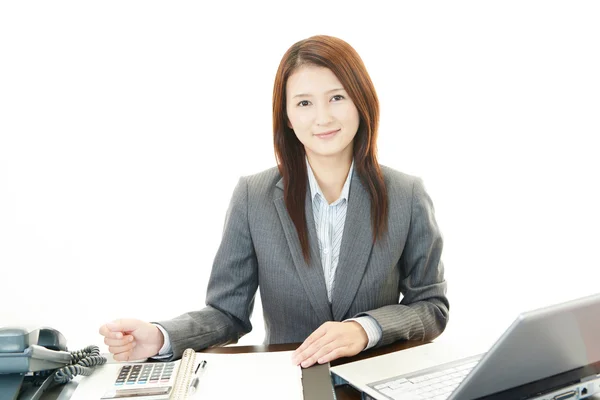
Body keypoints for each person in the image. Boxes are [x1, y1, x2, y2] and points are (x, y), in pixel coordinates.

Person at [99, 34, 449, 368]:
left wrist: (366, 329)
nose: (322, 117)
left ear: (362, 100)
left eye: (337, 97)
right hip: (287, 381)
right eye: (304, 103)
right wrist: (160, 337)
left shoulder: (407, 194)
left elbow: (431, 307)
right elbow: (227, 312)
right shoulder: (254, 196)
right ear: (287, 116)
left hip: (374, 384)